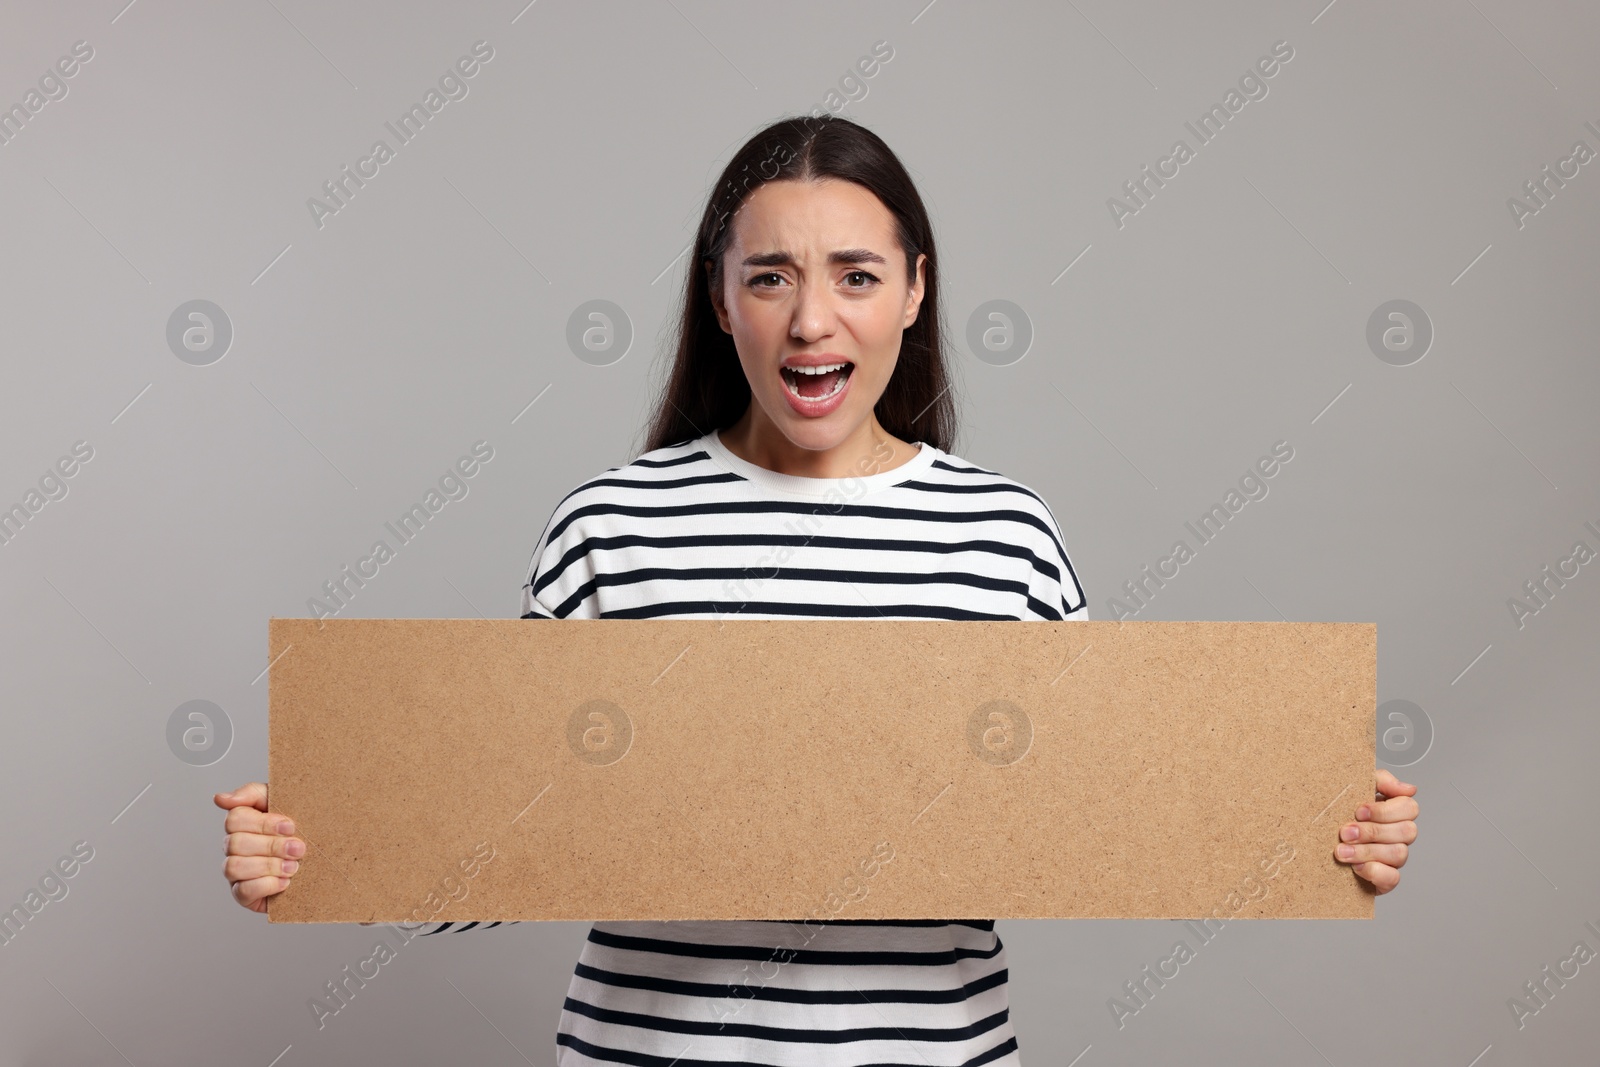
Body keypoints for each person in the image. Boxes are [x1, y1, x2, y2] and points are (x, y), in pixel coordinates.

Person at [215, 114, 1419, 1064]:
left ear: (913, 290)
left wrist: (1312, 829)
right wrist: (326, 847)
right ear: (719, 295)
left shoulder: (1000, 534)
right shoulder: (613, 525)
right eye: (769, 276)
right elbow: (506, 840)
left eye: (852, 274)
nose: (810, 318)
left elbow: (1105, 807)